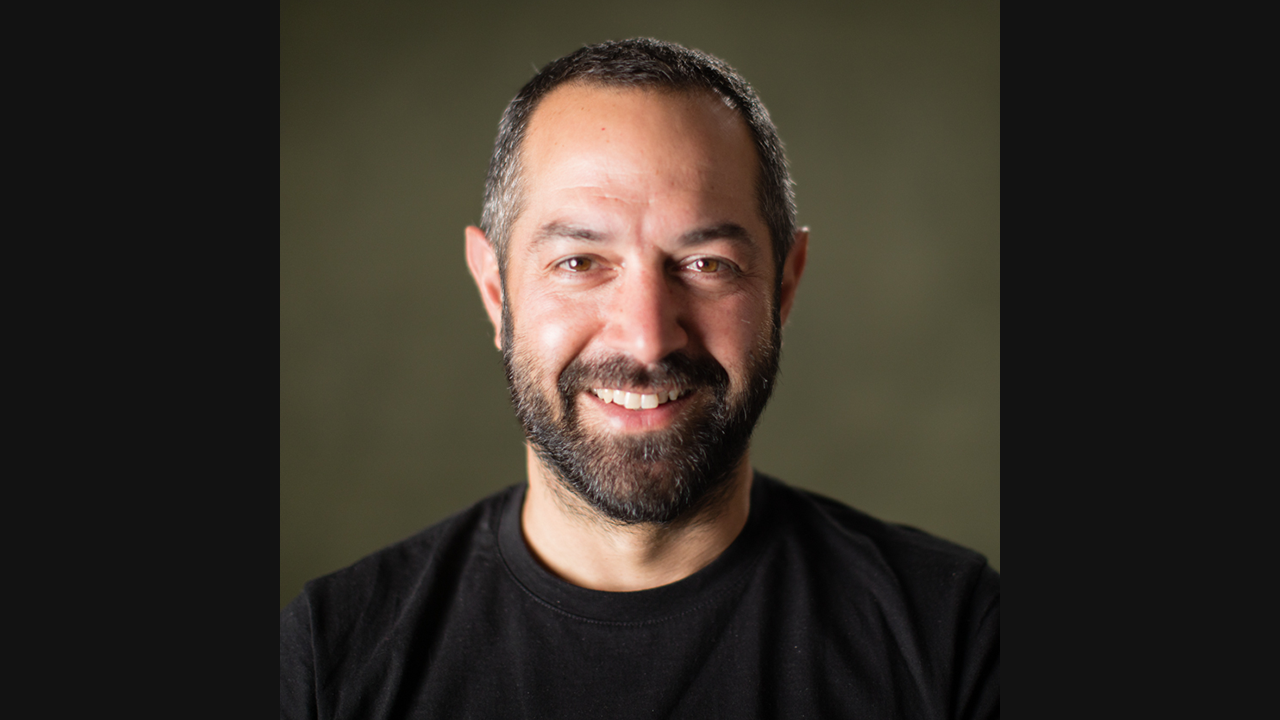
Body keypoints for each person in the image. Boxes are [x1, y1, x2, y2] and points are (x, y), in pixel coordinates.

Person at [280, 37, 998, 719]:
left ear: (784, 285)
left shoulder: (954, 636)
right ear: (496, 292)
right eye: (580, 262)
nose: (648, 336)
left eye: (706, 264)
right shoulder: (332, 656)